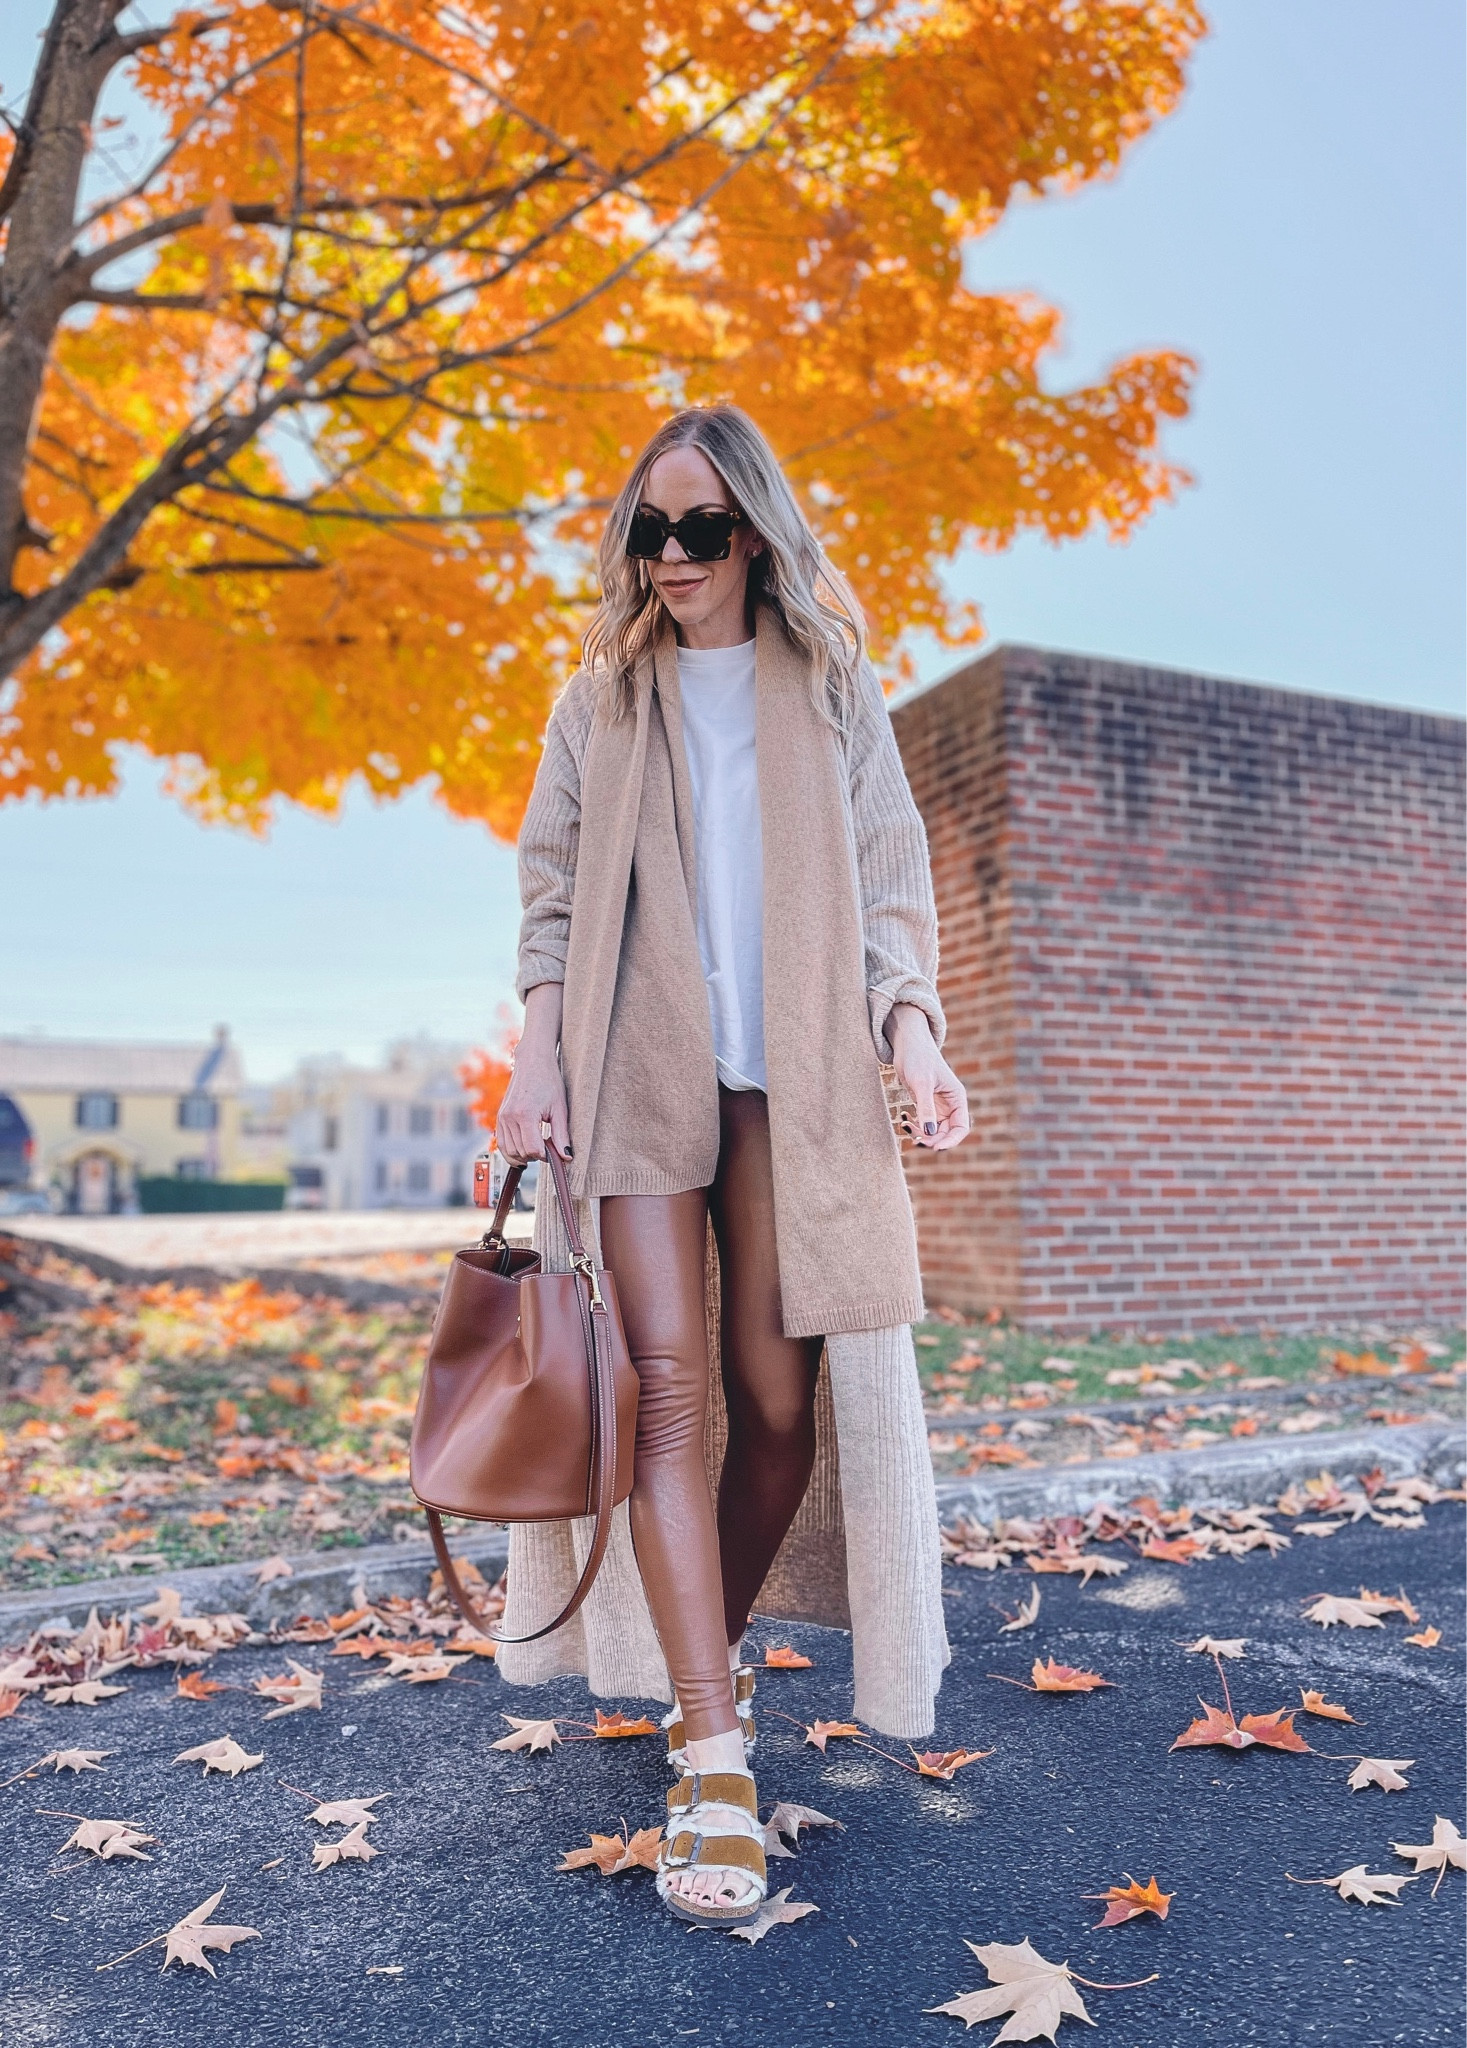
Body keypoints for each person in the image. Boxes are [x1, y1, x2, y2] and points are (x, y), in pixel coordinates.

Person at [496, 404, 969, 1926]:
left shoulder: (828, 684)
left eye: (701, 528)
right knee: (666, 1398)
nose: (673, 556)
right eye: (651, 527)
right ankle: (714, 1748)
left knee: (777, 1410)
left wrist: (914, 1035)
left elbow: (893, 875)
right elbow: (553, 894)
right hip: (635, 1077)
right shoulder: (603, 696)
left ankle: (710, 1645)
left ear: (755, 532)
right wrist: (532, 1064)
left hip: (799, 1081)